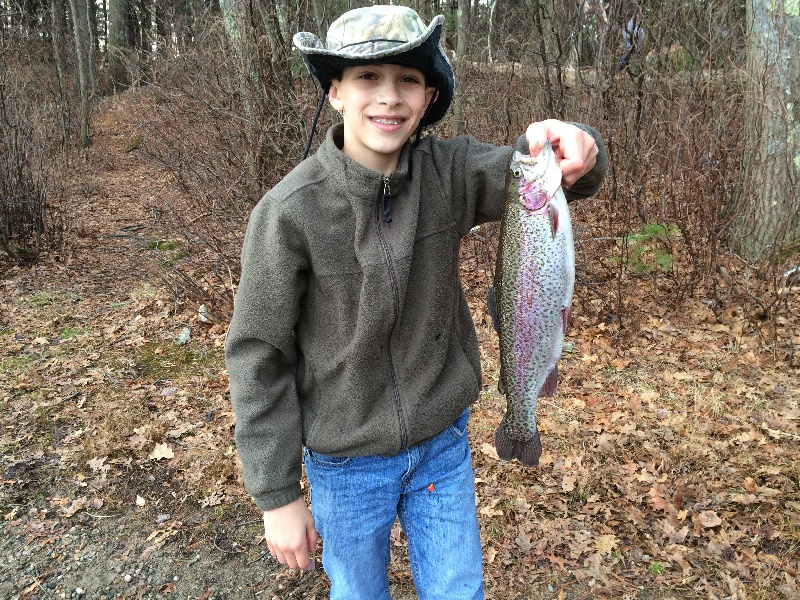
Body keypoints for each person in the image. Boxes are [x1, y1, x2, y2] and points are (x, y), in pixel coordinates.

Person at [225, 5, 607, 599]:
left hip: (441, 449)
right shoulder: (287, 214)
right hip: (343, 465)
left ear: (429, 97)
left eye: (408, 79)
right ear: (334, 92)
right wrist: (277, 494)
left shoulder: (448, 172)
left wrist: (578, 147)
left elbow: (539, 171)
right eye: (367, 78)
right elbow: (257, 356)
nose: (389, 97)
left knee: (459, 590)